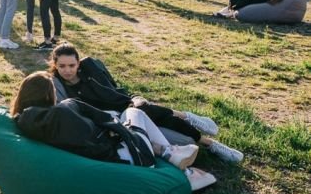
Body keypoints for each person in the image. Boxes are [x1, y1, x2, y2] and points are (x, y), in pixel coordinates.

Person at [9, 71, 217, 192]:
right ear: (48, 95)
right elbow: (96, 138)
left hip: (111, 158)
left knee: (127, 117)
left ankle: (169, 152)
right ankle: (175, 159)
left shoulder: (24, 120)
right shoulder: (62, 112)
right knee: (134, 112)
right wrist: (121, 130)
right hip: (126, 159)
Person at [48, 43, 243, 164]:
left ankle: (207, 140)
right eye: (62, 66)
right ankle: (196, 134)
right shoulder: (58, 86)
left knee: (144, 109)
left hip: (125, 106)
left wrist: (134, 97)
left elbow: (116, 90)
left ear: (78, 64)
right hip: (111, 119)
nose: (67, 70)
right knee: (148, 118)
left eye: (72, 65)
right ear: (55, 65)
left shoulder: (90, 70)